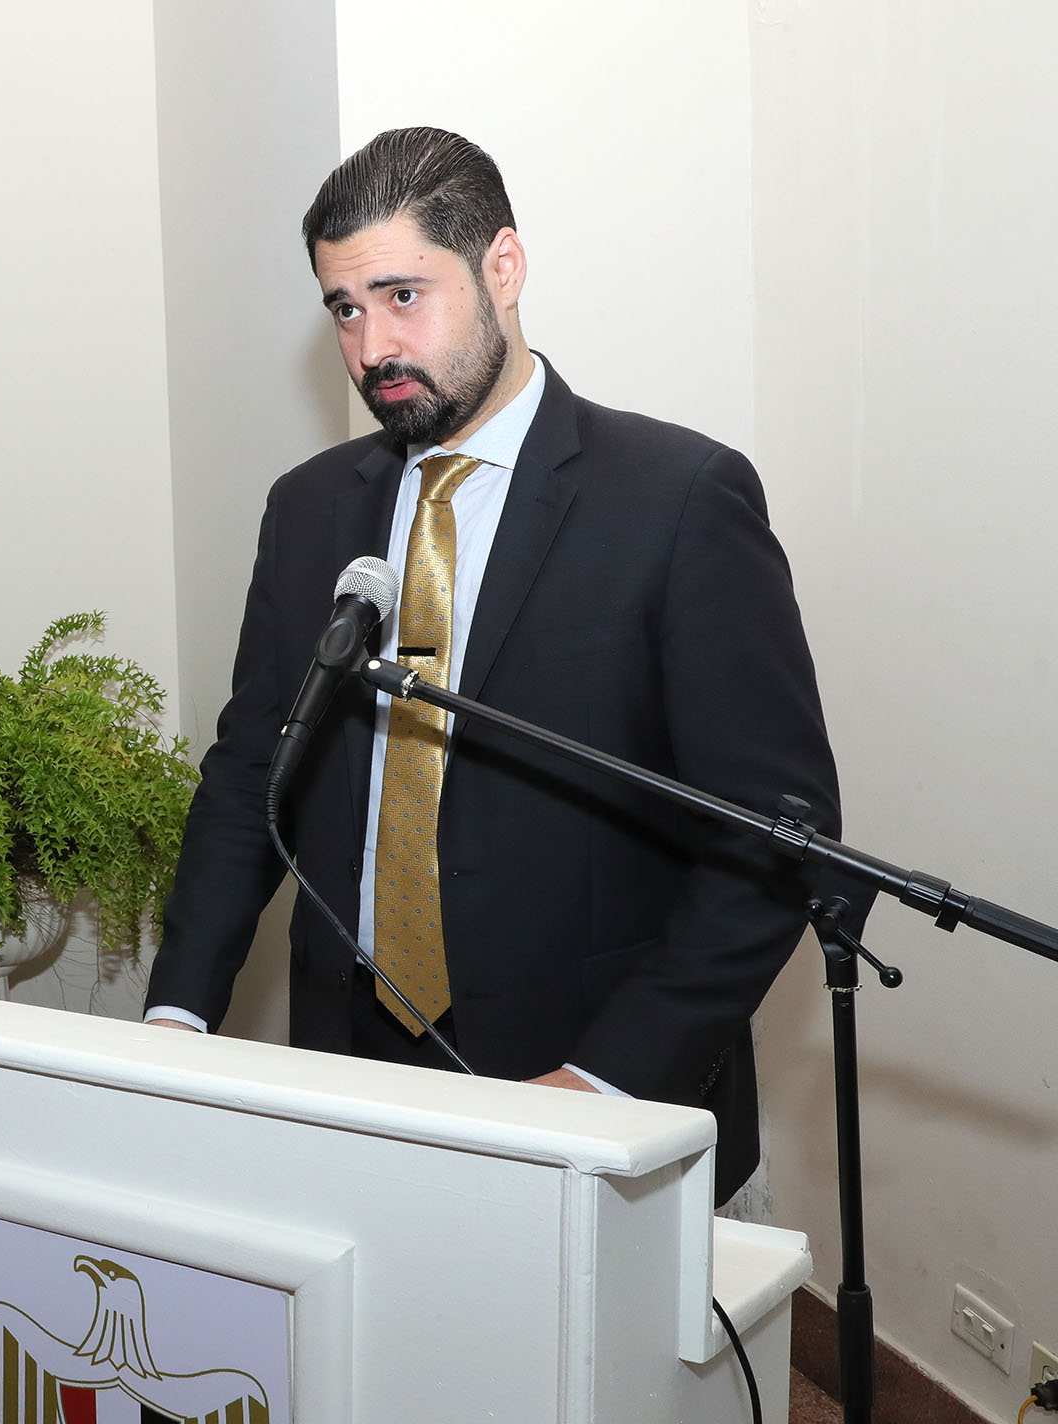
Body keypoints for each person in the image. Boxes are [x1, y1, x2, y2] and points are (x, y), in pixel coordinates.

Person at [143, 128, 838, 1201]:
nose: (372, 346)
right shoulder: (308, 510)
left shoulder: (678, 499)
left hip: (597, 1078)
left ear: (501, 268)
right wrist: (176, 1015)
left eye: (402, 296)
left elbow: (773, 836)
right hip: (351, 1064)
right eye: (344, 309)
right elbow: (249, 779)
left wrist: (606, 1081)